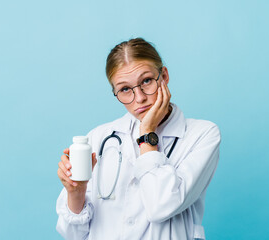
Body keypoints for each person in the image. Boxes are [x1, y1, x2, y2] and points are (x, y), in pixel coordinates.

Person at [56, 38, 221, 240]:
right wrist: (76, 192)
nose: (140, 98)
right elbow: (72, 234)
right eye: (125, 89)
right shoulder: (99, 138)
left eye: (146, 81)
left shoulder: (202, 135)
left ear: (164, 76)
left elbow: (161, 206)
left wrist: (147, 132)